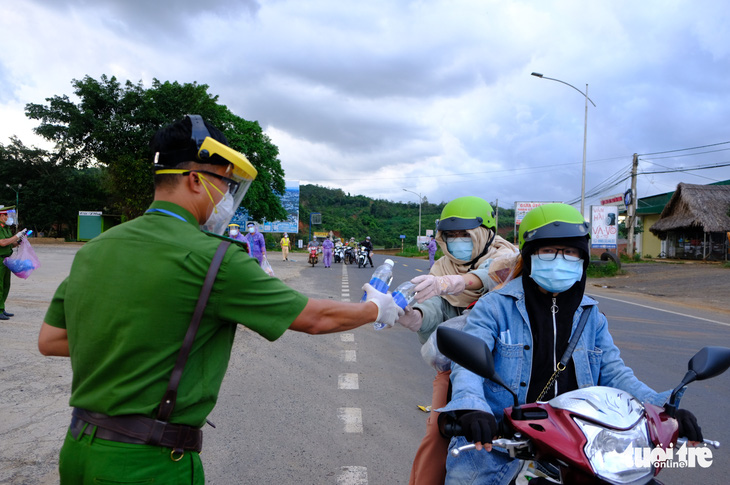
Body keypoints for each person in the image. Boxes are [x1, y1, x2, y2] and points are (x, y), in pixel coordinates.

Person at [36, 115, 404, 484]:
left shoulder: (96, 248)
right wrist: (375, 308)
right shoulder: (215, 259)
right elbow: (315, 318)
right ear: (196, 179)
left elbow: (51, 340)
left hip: (79, 450)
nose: (228, 198)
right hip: (148, 464)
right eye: (225, 184)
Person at [440, 203, 703, 484]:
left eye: (569, 252)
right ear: (529, 257)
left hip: (578, 440)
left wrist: (664, 408)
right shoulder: (495, 307)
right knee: (468, 478)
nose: (559, 260)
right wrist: (473, 409)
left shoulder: (591, 316)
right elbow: (467, 366)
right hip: (501, 437)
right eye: (549, 251)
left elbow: (615, 374)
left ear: (582, 259)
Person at [397, 196, 518, 485]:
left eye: (465, 234)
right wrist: (413, 315)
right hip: (457, 363)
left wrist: (459, 282)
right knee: (437, 434)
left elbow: (491, 276)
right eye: (450, 235)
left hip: (507, 365)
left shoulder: (509, 257)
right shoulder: (442, 267)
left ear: (486, 233)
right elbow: (437, 307)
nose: (457, 241)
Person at [0, 205, 27, 320]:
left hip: (6, 259)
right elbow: (3, 242)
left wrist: (19, 241)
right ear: (1, 215)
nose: (8, 218)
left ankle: (1, 308)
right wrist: (16, 236)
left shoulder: (5, 228)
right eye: (6, 215)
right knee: (0, 285)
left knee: (6, 285)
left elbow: (10, 243)